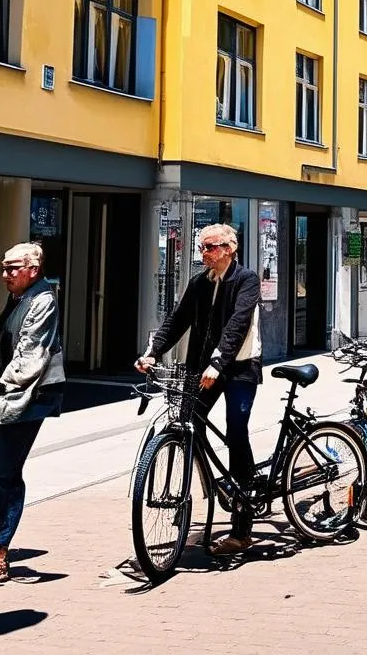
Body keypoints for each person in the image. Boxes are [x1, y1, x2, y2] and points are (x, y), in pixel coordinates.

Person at [136, 223, 262, 555]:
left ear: (230, 248)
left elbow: (238, 323)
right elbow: (177, 320)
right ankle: (211, 484)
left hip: (238, 368)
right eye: (201, 247)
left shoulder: (245, 279)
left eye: (211, 247)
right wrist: (152, 352)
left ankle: (242, 523)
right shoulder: (199, 283)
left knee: (237, 430)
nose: (204, 253)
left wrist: (218, 363)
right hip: (203, 369)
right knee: (189, 423)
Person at [0, 243, 65, 584]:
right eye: (3, 268)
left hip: (22, 401)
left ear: (33, 270)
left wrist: (2, 382)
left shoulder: (42, 299)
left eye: (12, 268)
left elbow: (31, 354)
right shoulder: (18, 298)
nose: (5, 274)